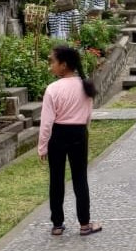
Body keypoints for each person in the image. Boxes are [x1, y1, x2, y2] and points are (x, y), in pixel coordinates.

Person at [37, 45, 102, 237]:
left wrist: (42, 146)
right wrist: (83, 132)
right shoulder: (86, 86)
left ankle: (57, 224)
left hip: (58, 135)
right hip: (79, 133)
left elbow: (47, 122)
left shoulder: (53, 89)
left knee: (56, 179)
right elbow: (88, 115)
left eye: (52, 61)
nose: (50, 66)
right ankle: (85, 224)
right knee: (80, 179)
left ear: (64, 65)